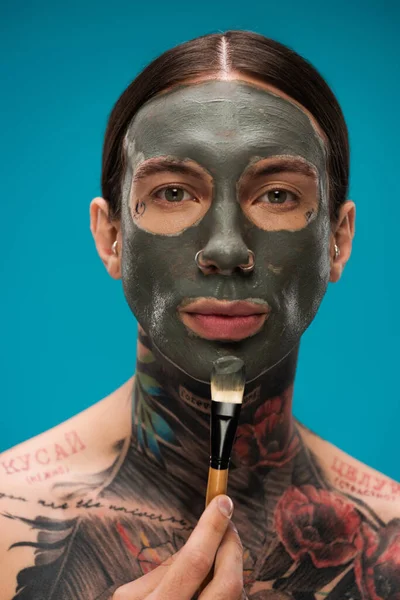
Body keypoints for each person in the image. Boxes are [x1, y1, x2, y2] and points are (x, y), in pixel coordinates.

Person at [0, 29, 398, 600]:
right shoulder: (10, 521)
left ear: (338, 238)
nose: (227, 251)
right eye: (172, 193)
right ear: (112, 236)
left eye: (279, 195)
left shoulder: (389, 545)